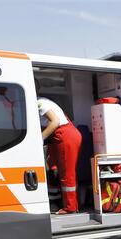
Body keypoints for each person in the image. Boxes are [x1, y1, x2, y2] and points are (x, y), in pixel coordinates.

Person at [37, 81, 82, 214]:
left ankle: (71, 207)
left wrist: (40, 138)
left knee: (67, 173)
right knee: (54, 168)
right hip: (59, 136)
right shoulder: (41, 102)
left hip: (65, 135)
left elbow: (55, 121)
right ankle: (57, 202)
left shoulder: (39, 103)